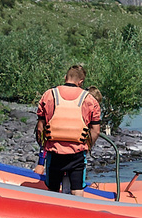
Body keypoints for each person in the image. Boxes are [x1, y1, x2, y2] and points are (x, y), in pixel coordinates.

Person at [36, 63, 103, 194]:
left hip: (54, 152)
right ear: (81, 82)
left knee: (53, 189)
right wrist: (87, 147)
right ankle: (78, 212)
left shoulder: (49, 95)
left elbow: (40, 128)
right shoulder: (90, 99)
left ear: (65, 77)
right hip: (77, 154)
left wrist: (43, 147)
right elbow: (96, 130)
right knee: (77, 190)